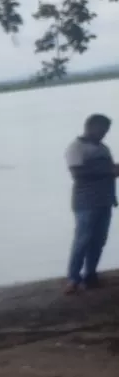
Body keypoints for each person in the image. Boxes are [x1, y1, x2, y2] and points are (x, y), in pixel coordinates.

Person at [64, 113, 116, 293]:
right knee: (82, 240)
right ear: (91, 127)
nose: (104, 133)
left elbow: (111, 171)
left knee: (98, 240)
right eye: (103, 129)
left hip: (104, 201)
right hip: (85, 202)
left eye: (107, 130)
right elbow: (78, 174)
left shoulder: (103, 148)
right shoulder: (76, 148)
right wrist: (109, 171)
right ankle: (73, 277)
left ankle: (91, 275)